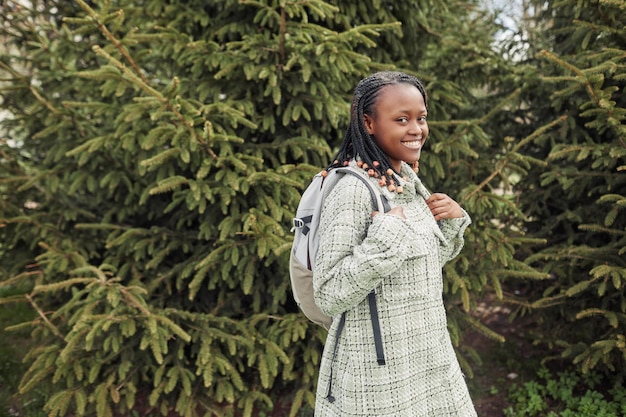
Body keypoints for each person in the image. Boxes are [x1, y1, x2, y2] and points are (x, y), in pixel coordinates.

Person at [313, 71, 477, 416]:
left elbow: (417, 268)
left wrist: (450, 225)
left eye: (421, 118)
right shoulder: (353, 190)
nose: (416, 129)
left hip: (427, 355)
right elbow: (329, 294)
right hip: (378, 371)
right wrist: (385, 239)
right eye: (401, 119)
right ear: (368, 123)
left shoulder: (405, 179)